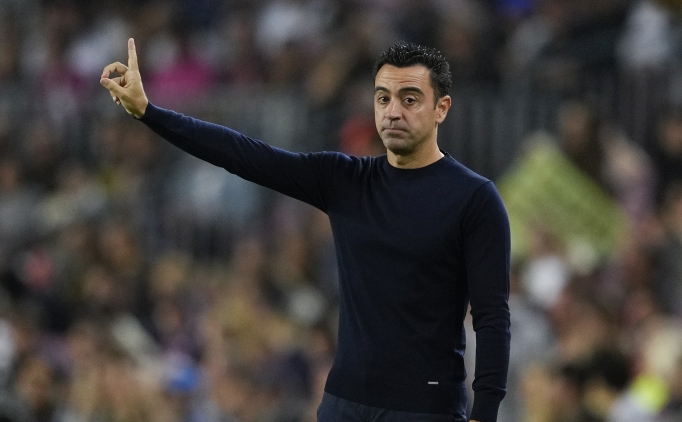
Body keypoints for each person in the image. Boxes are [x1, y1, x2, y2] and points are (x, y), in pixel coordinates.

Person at [100, 38, 511, 422]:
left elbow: (492, 317)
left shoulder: (474, 199)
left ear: (441, 108)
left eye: (410, 99)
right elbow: (241, 153)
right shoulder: (346, 180)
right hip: (343, 404)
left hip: (426, 408)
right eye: (383, 98)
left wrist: (485, 413)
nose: (392, 112)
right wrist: (149, 112)